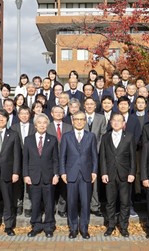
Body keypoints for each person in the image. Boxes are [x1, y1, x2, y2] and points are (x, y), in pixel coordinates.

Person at [60, 111, 98, 239]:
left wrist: (94, 171)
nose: (80, 121)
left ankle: (84, 229)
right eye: (77, 119)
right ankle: (73, 229)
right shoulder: (66, 136)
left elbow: (94, 156)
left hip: (86, 174)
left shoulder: (91, 136)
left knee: (85, 203)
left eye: (82, 119)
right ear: (72, 120)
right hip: (71, 174)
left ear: (85, 121)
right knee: (71, 203)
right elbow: (62, 157)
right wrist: (63, 172)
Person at [23, 113, 59, 238]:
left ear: (47, 125)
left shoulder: (52, 139)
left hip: (49, 177)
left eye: (44, 123)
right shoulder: (28, 139)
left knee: (49, 203)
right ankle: (36, 225)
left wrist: (56, 174)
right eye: (40, 123)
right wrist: (26, 175)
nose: (42, 125)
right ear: (35, 125)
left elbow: (55, 159)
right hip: (33, 177)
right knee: (36, 203)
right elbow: (25, 159)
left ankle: (49, 226)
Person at [100, 113, 135, 237]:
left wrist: (132, 173)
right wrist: (103, 172)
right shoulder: (105, 137)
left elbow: (132, 157)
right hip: (110, 174)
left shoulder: (129, 137)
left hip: (125, 175)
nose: (116, 123)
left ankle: (124, 227)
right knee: (110, 202)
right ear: (110, 122)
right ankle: (110, 225)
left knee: (125, 202)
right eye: (114, 120)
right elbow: (102, 157)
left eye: (119, 121)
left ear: (123, 123)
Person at [47, 106, 73, 218]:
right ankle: (51, 207)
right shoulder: (47, 126)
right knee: (50, 185)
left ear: (64, 114)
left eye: (60, 112)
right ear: (52, 114)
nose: (58, 114)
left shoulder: (69, 127)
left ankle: (62, 208)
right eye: (56, 112)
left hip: (66, 160)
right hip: (50, 160)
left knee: (64, 186)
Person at [84, 97, 106, 217]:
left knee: (95, 181)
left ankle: (95, 206)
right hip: (82, 155)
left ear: (95, 105)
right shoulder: (79, 117)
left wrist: (95, 150)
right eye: (87, 104)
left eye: (91, 104)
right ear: (84, 106)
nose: (89, 106)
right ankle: (84, 205)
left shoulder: (101, 118)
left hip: (96, 153)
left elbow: (103, 135)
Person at [11, 106, 35, 217]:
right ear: (19, 115)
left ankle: (28, 206)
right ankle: (18, 204)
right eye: (22, 113)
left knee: (29, 183)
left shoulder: (33, 127)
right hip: (17, 159)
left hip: (31, 159)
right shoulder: (13, 127)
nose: (24, 116)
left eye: (26, 113)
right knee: (17, 183)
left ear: (29, 115)